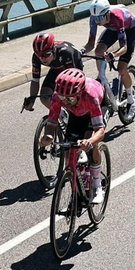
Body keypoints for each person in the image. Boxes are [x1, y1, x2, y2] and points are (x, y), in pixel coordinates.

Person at [45, 68, 108, 206]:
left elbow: (100, 131)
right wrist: (48, 135)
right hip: (77, 112)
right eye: (62, 98)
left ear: (79, 93)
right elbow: (51, 122)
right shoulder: (58, 96)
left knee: (91, 145)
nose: (65, 102)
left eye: (69, 98)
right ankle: (78, 188)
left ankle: (97, 185)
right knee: (69, 153)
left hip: (96, 106)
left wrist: (90, 141)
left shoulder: (90, 96)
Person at [84, 0, 135, 105]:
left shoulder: (117, 17)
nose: (97, 21)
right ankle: (102, 79)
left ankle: (131, 98)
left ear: (108, 14)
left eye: (99, 18)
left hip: (129, 29)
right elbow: (90, 44)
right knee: (98, 51)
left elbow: (124, 48)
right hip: (112, 28)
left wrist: (113, 55)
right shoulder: (94, 18)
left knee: (121, 69)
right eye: (95, 18)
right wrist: (80, 51)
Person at [24, 31, 85, 114]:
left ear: (53, 50)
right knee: (44, 97)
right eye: (39, 55)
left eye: (46, 54)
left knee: (70, 97)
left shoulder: (66, 53)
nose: (42, 59)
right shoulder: (36, 57)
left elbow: (72, 80)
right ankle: (61, 115)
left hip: (72, 70)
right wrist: (32, 99)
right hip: (56, 69)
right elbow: (35, 79)